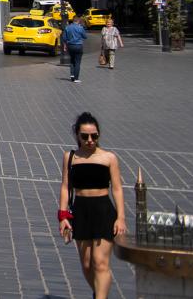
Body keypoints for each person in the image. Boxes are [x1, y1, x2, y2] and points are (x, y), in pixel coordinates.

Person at [58, 112, 124, 299]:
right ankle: (99, 292)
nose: (90, 140)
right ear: (77, 136)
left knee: (100, 262)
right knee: (87, 264)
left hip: (103, 210)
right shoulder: (70, 157)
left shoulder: (109, 158)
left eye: (94, 136)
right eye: (85, 136)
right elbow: (65, 187)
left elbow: (117, 189)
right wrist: (63, 216)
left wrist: (121, 217)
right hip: (81, 210)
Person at [64, 16, 89, 82]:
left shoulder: (68, 27)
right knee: (77, 62)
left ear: (73, 20)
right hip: (78, 45)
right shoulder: (80, 28)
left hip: (70, 46)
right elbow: (85, 36)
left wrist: (65, 46)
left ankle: (72, 75)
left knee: (72, 60)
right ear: (78, 21)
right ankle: (76, 78)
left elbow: (64, 38)